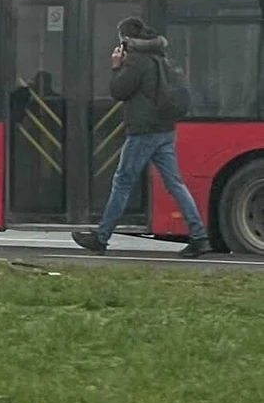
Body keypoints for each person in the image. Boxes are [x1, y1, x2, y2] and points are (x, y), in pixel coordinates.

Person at [72, 17, 211, 259]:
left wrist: (117, 65)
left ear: (126, 39)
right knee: (175, 184)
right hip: (165, 130)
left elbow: (119, 90)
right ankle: (199, 237)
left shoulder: (136, 60)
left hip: (144, 132)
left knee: (122, 182)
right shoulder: (161, 57)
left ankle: (101, 238)